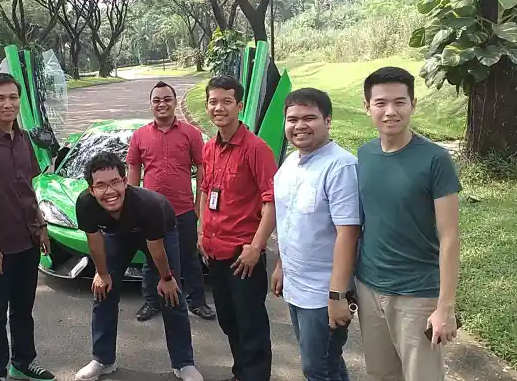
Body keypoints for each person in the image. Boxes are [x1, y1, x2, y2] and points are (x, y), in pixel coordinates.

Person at [355, 67, 462, 381]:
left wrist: (445, 307)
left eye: (399, 102)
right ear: (367, 107)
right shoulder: (365, 154)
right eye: (381, 103)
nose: (390, 111)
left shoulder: (435, 159)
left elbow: (450, 237)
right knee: (381, 374)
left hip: (416, 294)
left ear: (413, 104)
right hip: (369, 287)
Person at [73, 152, 204, 381]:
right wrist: (102, 274)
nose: (110, 191)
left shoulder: (149, 205)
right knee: (103, 291)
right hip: (117, 235)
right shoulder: (85, 204)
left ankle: (184, 363)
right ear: (91, 190)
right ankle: (102, 359)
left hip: (160, 234)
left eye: (115, 182)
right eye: (101, 185)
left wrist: (166, 279)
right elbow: (94, 241)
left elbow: (155, 248)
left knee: (171, 294)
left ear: (125, 181)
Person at [0, 72, 55, 381]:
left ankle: (23, 362)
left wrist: (42, 225)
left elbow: (29, 187)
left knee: (23, 307)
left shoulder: (24, 138)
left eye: (13, 97)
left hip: (28, 238)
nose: (7, 104)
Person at [270, 88, 361, 381]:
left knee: (317, 368)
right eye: (292, 119)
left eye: (309, 118)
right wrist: (282, 265)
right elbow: (290, 220)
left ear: (328, 120)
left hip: (323, 293)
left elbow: (349, 234)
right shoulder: (290, 163)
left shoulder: (341, 166)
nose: (299, 126)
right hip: (296, 284)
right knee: (326, 362)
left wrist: (338, 295)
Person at [198, 75, 278, 381]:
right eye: (213, 102)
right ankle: (241, 373)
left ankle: (255, 376)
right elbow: (205, 191)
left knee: (251, 325)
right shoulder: (209, 148)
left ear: (239, 105)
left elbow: (271, 202)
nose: (219, 108)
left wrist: (256, 247)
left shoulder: (256, 149)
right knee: (228, 320)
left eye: (226, 102)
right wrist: (200, 231)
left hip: (243, 256)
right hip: (215, 251)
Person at [127, 80, 215, 322]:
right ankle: (151, 302)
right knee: (151, 259)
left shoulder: (191, 133)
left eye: (167, 99)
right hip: (151, 212)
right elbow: (133, 167)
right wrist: (132, 205)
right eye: (156, 100)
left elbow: (202, 166)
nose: (162, 104)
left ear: (175, 102)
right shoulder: (140, 135)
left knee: (189, 257)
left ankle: (197, 302)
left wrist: (198, 203)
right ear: (150, 104)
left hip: (184, 209)